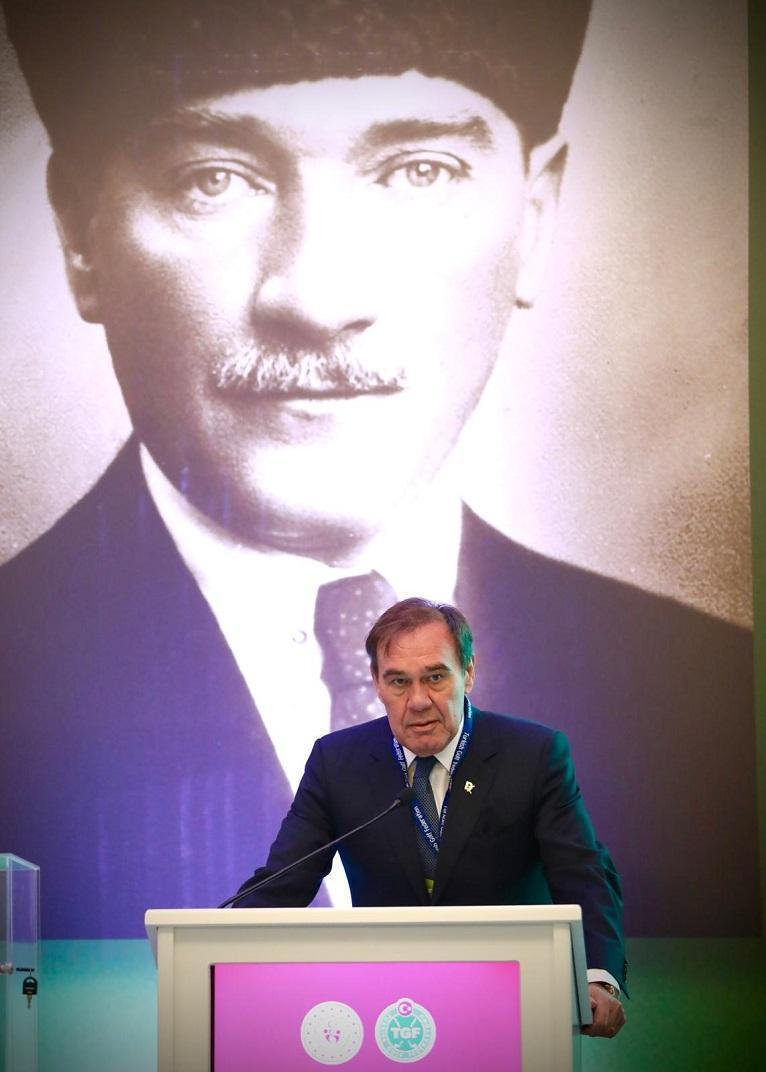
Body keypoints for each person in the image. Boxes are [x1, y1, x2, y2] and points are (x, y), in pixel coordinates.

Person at [0, 0, 757, 942]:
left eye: (418, 171)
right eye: (212, 179)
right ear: (81, 234)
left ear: (534, 218)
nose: (317, 298)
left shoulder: (720, 703)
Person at [235, 598, 627, 1038]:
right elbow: (284, 880)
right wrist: (214, 952)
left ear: (468, 673)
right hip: (388, 1014)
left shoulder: (533, 755)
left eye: (436, 677)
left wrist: (596, 977)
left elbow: (581, 871)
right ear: (376, 683)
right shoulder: (337, 762)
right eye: (399, 682)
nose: (418, 701)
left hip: (515, 1002)